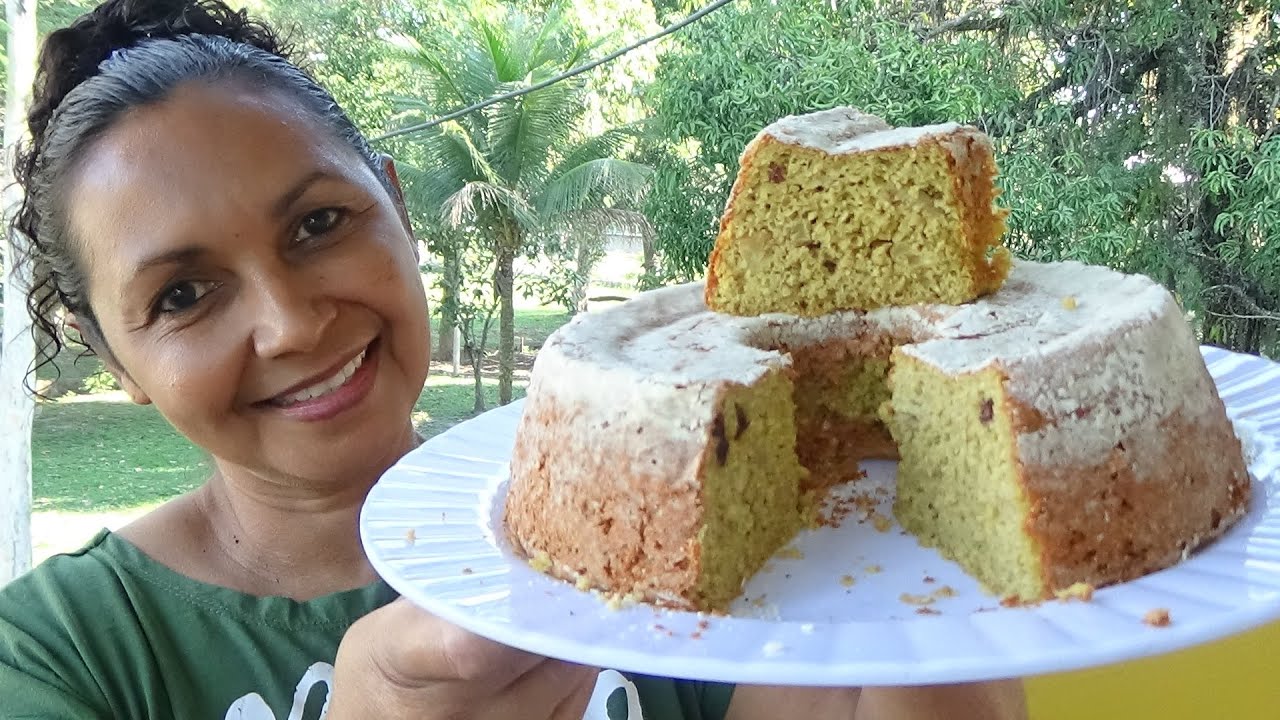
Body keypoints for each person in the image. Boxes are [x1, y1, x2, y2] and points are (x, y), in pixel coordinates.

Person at [0, 1, 1028, 718]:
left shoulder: (649, 515)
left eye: (318, 224)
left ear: (397, 210)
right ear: (111, 355)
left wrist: (930, 633)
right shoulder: (57, 654)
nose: (289, 323)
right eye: (181, 295)